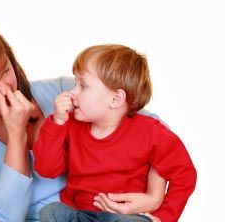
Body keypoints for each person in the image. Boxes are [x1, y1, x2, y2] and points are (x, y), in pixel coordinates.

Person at [0, 17, 167, 222]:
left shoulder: (63, 92)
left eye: (5, 70)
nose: (4, 87)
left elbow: (156, 130)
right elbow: (8, 216)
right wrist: (16, 134)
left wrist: (154, 196)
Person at [33, 44, 197, 222]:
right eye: (75, 83)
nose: (72, 92)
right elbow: (46, 169)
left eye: (83, 86)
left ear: (116, 99)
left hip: (124, 217)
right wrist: (56, 122)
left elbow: (184, 174)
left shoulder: (151, 132)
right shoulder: (71, 125)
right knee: (50, 212)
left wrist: (164, 217)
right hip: (82, 215)